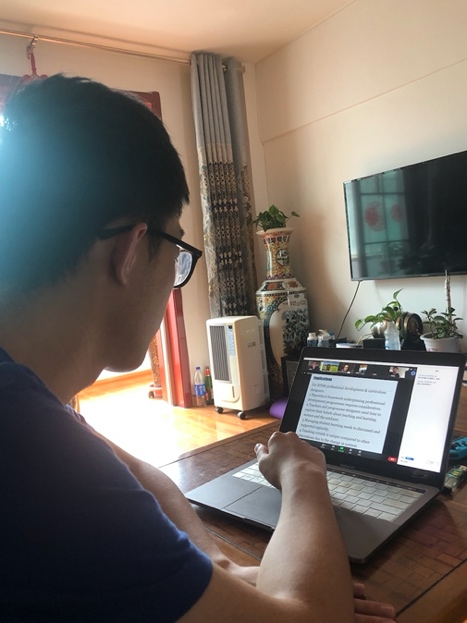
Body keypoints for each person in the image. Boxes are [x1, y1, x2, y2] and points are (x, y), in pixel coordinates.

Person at [0, 74, 396, 622]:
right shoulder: (30, 449)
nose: (175, 276)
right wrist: (302, 472)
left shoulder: (29, 404)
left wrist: (216, 570)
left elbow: (140, 475)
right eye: (179, 251)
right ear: (130, 250)